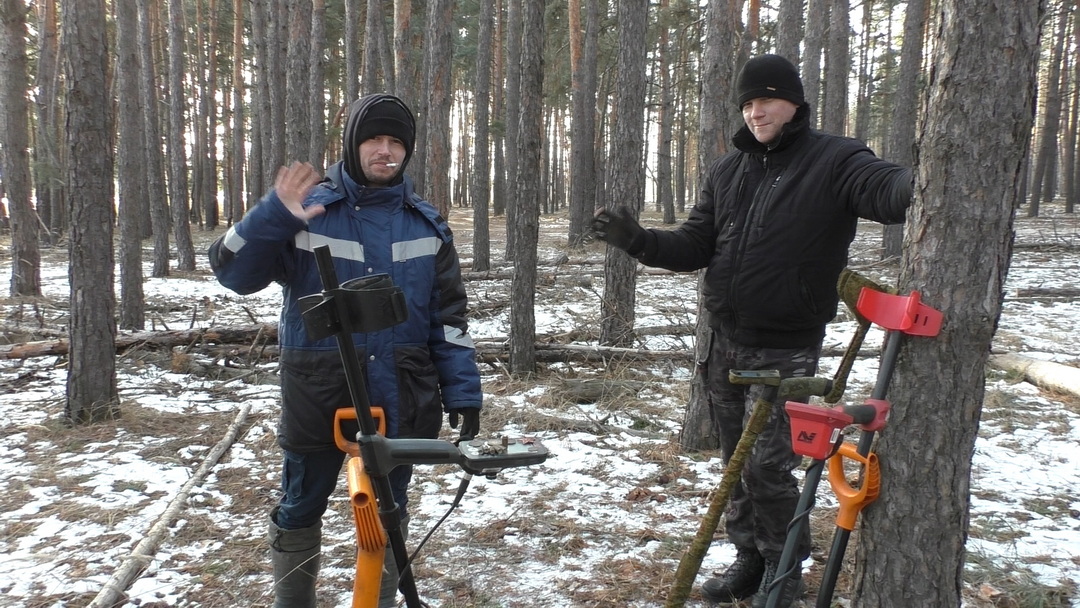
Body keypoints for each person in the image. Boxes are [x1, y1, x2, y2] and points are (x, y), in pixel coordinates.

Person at [591, 54, 912, 607]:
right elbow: (695, 245)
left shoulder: (835, 159)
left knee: (768, 467)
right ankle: (749, 557)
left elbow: (885, 190)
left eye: (765, 100)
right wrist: (639, 240)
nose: (755, 112)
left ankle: (783, 570)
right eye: (747, 103)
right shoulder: (729, 170)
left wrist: (919, 181)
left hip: (785, 347)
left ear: (794, 104)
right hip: (723, 341)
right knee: (735, 464)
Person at [209, 93, 483, 608]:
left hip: (400, 391)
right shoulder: (309, 212)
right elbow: (232, 272)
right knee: (300, 506)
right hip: (318, 391)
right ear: (353, 144)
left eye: (396, 142)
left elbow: (448, 321)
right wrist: (273, 217)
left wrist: (464, 393)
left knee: (389, 512)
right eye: (373, 139)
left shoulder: (427, 225)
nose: (385, 151)